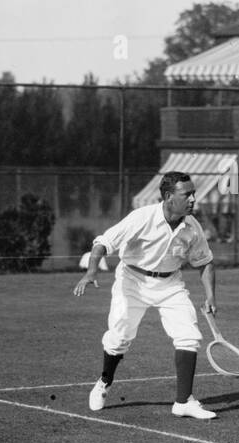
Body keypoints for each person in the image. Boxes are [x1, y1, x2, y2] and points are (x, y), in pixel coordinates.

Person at [73, 171, 218, 419]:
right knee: (119, 337)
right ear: (169, 197)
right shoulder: (142, 217)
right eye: (187, 194)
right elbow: (103, 243)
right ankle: (104, 382)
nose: (194, 199)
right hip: (132, 280)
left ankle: (183, 402)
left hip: (170, 284)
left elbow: (205, 262)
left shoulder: (192, 227)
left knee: (189, 336)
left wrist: (211, 296)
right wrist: (91, 272)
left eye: (194, 193)